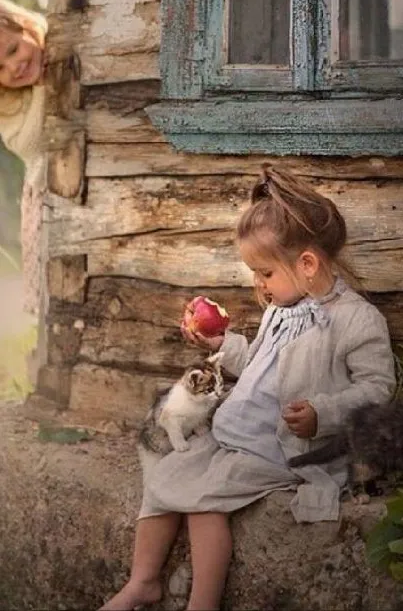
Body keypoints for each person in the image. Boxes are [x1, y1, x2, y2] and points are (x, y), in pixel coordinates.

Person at [102, 166, 396, 611]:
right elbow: (261, 363)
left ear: (308, 265)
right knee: (164, 477)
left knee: (203, 501)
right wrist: (222, 346)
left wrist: (323, 411)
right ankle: (142, 581)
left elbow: (377, 388)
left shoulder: (356, 321)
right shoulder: (284, 307)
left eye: (264, 273)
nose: (258, 285)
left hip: (278, 449)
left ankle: (203, 603)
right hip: (234, 437)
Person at [0, 0, 48, 317]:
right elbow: (30, 142)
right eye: (0, 69)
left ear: (28, 27)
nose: (14, 67)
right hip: (43, 195)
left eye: (12, 50)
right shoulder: (8, 105)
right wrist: (48, 85)